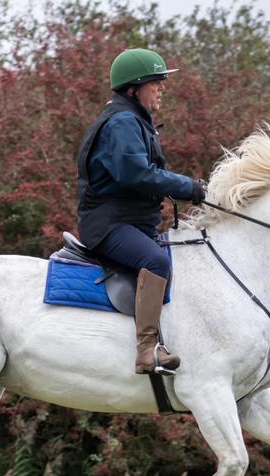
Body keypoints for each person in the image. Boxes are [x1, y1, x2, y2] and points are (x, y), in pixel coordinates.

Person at [76, 48, 206, 376]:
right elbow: (135, 174)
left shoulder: (134, 120)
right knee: (156, 261)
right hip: (108, 225)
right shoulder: (122, 122)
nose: (162, 87)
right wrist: (187, 187)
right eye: (155, 82)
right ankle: (147, 350)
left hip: (129, 222)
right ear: (133, 88)